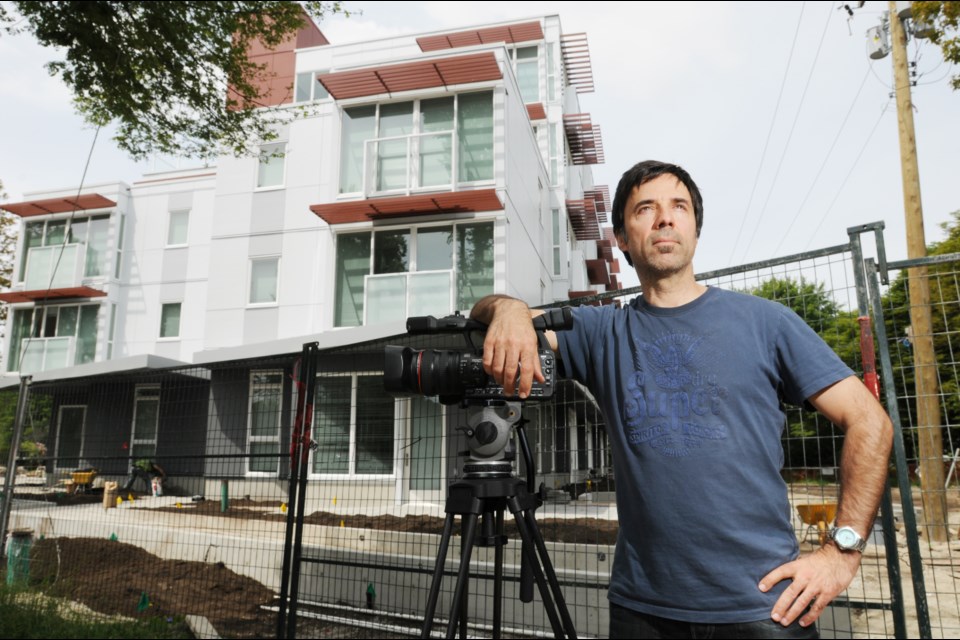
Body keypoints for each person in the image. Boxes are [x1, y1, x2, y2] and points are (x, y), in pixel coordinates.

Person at [471, 160, 893, 639]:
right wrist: (508, 309)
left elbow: (870, 422)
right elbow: (485, 314)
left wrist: (842, 552)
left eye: (679, 207)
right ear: (624, 239)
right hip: (643, 610)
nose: (665, 218)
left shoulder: (766, 323)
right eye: (645, 209)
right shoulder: (601, 331)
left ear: (695, 228)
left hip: (765, 607)